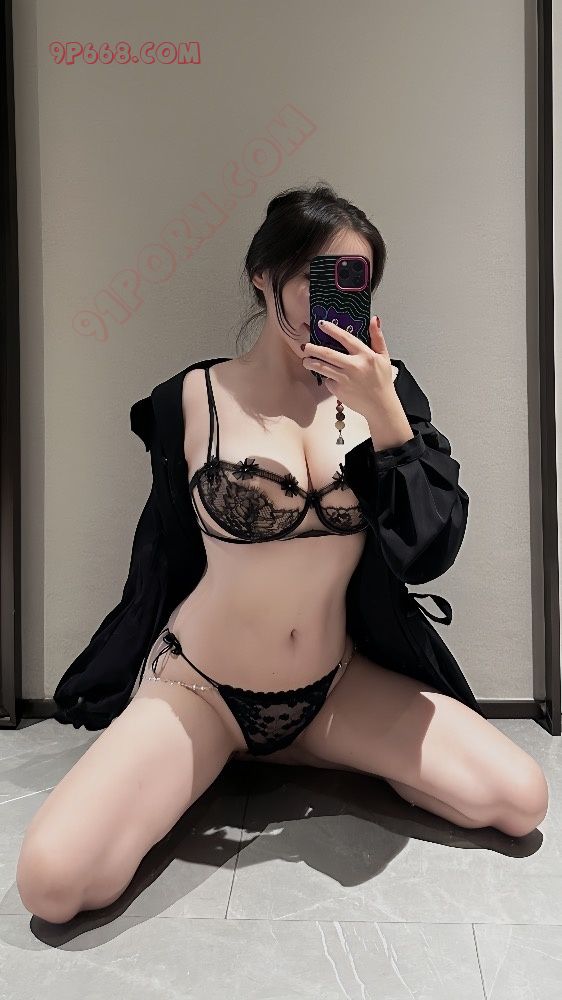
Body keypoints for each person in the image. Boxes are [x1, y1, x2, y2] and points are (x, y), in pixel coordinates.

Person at [17, 182, 548, 925]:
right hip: (200, 689)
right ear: (264, 277)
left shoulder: (387, 396)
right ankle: (219, 751)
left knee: (520, 800)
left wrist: (387, 417)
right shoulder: (191, 399)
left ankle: (293, 753)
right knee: (55, 883)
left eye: (356, 282)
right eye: (318, 277)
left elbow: (430, 551)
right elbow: (164, 550)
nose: (337, 300)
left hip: (332, 687)